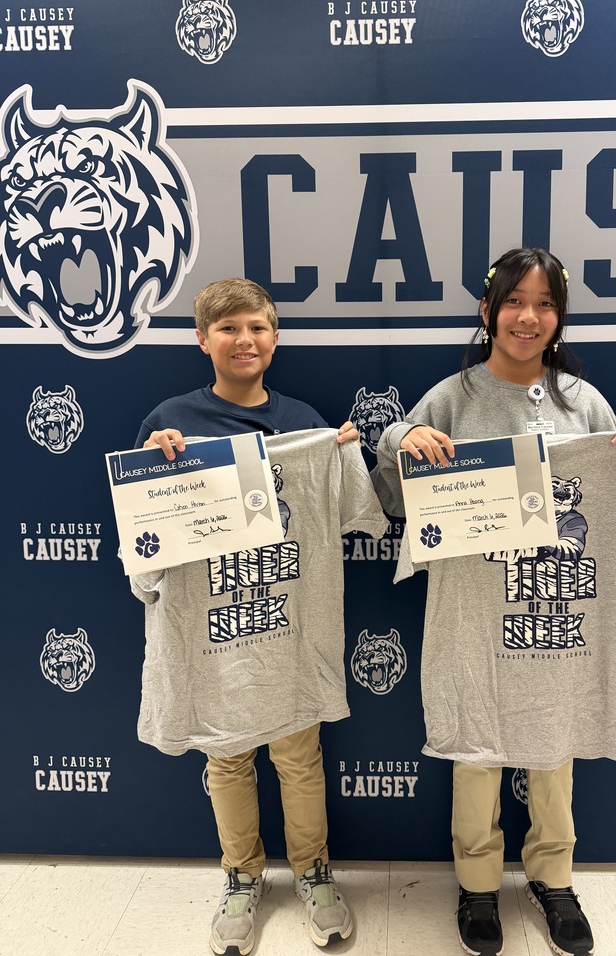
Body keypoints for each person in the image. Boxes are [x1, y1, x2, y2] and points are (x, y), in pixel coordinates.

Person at [372, 247, 616, 956]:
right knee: (477, 747)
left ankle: (554, 878)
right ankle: (477, 883)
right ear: (488, 311)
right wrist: (401, 435)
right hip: (475, 614)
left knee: (553, 743)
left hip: (555, 609)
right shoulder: (452, 397)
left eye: (544, 304)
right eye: (514, 302)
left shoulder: (583, 401)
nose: (527, 317)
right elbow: (390, 494)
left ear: (559, 317)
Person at [130, 277, 386, 955]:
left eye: (258, 328)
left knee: (299, 759)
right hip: (213, 640)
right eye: (229, 328)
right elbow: (145, 544)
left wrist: (342, 457)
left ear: (275, 338)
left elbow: (350, 514)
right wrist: (157, 468)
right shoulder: (169, 423)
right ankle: (241, 876)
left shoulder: (304, 422)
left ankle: (312, 872)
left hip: (285, 631)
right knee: (226, 761)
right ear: (202, 339)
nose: (245, 340)